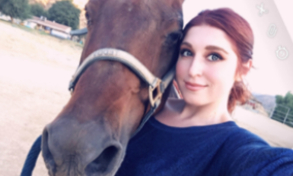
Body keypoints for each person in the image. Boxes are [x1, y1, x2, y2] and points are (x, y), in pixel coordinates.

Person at [115, 8, 293, 176]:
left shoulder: (235, 148)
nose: (193, 70)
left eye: (214, 56)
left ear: (242, 70)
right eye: (186, 52)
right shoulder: (143, 107)